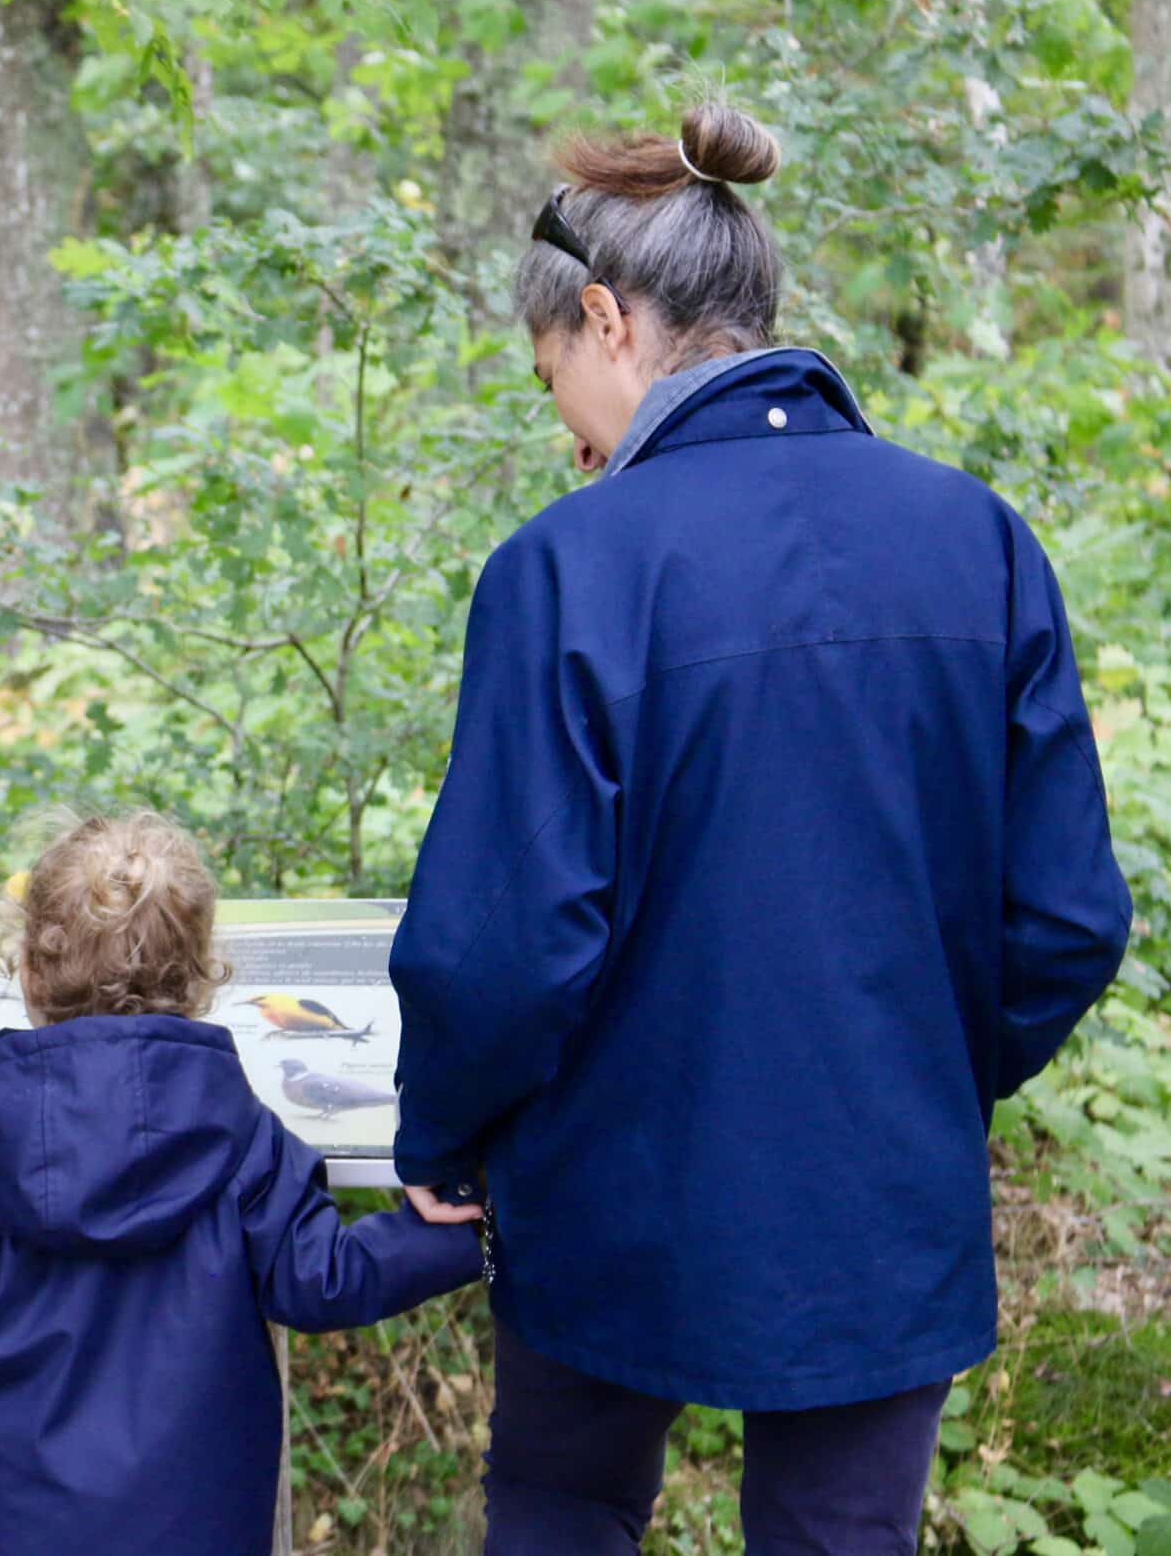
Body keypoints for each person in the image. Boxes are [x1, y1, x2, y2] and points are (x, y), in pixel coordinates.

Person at [386, 102, 1132, 1553]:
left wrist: (445, 1131)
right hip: (882, 1194)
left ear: (605, 320)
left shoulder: (567, 567)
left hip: (607, 1188)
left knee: (561, 1507)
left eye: (555, 387)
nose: (572, 444)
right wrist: (919, 1069)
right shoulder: (977, 538)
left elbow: (507, 939)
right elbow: (1067, 918)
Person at [0, 812, 483, 1556]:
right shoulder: (242, 1132)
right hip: (195, 1521)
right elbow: (324, 1277)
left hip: (14, 1521)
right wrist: (466, 1229)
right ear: (201, 973)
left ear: (27, 968)